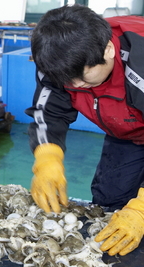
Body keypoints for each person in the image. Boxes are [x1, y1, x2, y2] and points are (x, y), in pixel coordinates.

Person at [25, 4, 144, 257]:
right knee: (109, 207)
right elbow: (50, 112)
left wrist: (141, 209)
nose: (76, 85)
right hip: (126, 132)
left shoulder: (140, 63)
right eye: (67, 80)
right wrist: (48, 157)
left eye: (83, 76)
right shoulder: (58, 60)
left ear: (108, 50)